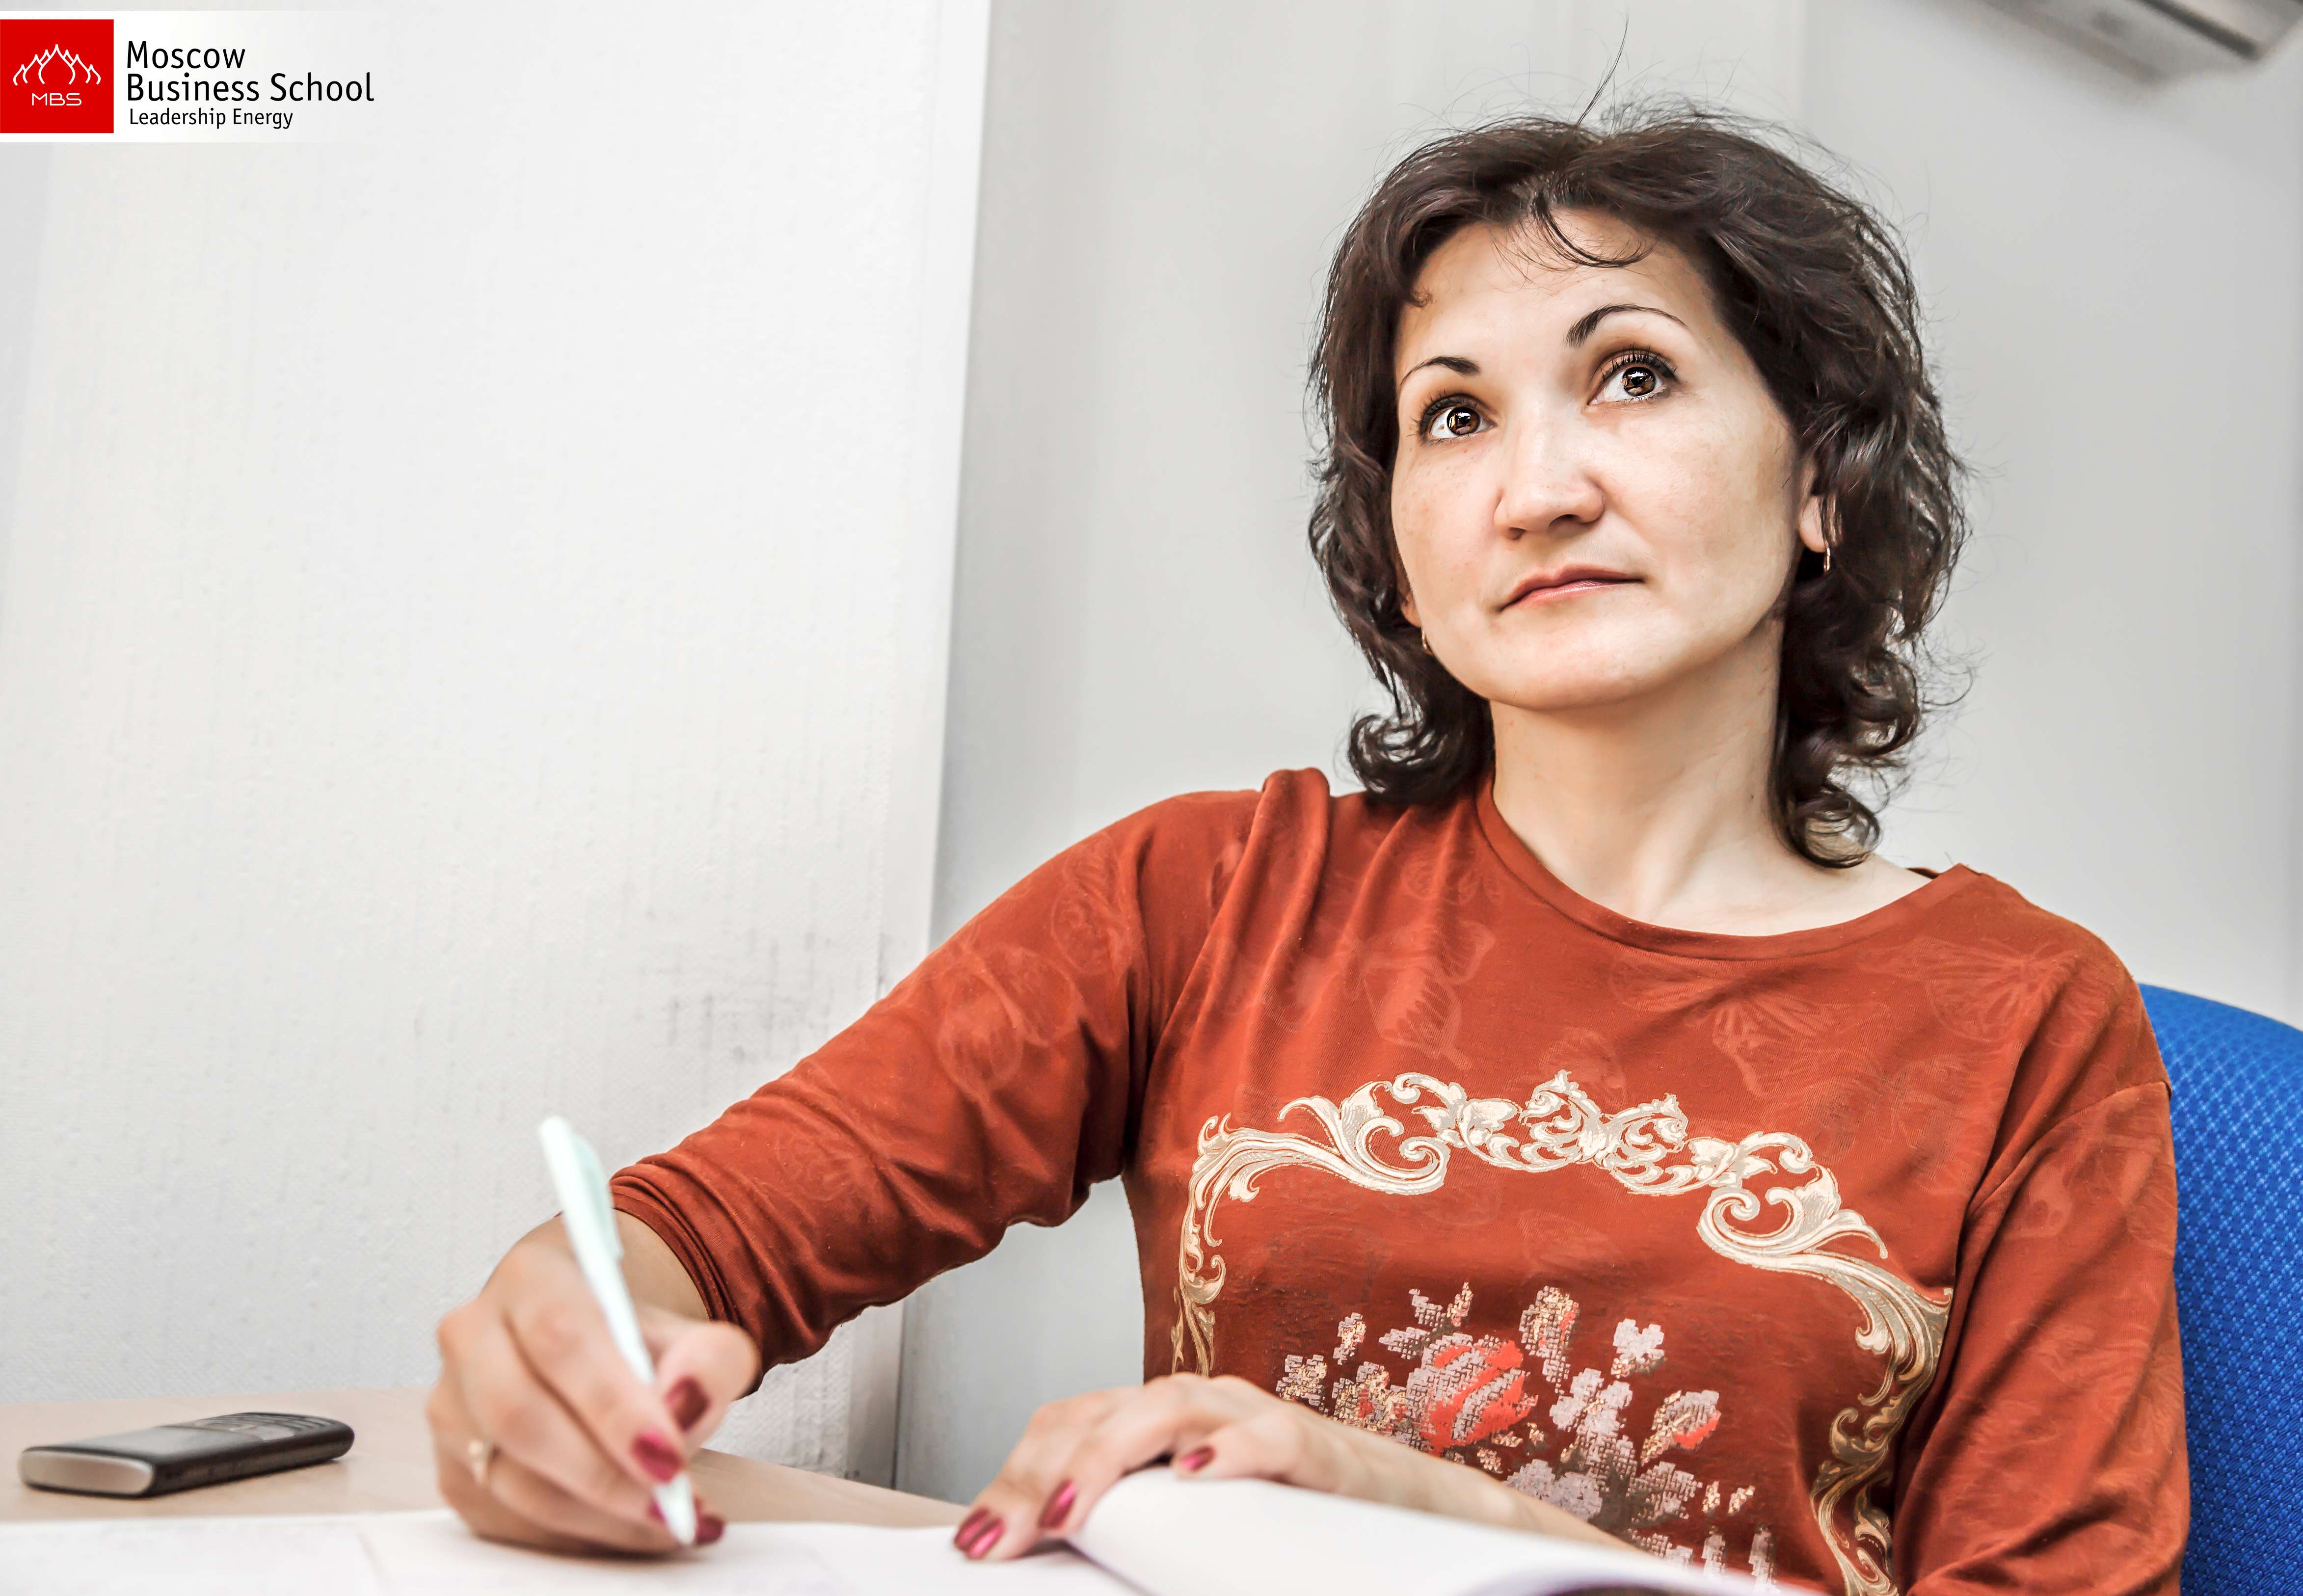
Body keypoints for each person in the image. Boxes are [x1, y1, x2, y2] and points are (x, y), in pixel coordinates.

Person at [425, 102, 2186, 1596]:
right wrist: (565, 1344)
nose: (1536, 489)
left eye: (1632, 376)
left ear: (1819, 482)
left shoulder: (2025, 1016)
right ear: (1399, 544)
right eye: (1453, 415)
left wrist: (1432, 1507)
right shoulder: (1204, 897)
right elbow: (699, 1237)